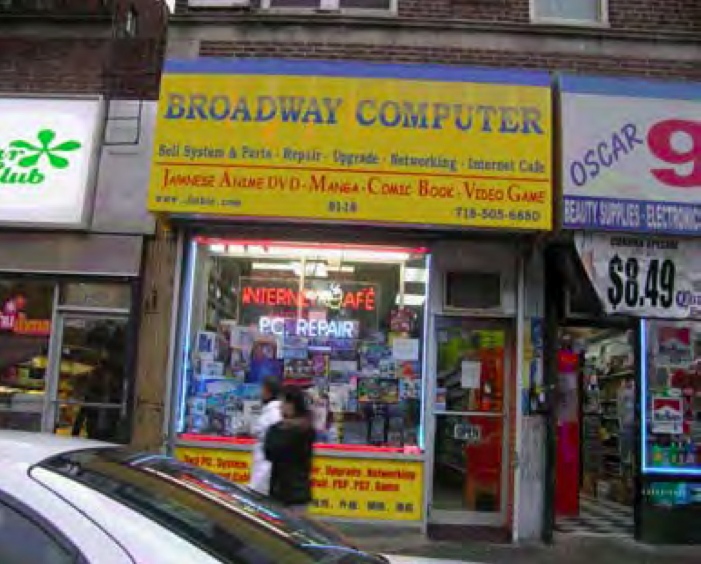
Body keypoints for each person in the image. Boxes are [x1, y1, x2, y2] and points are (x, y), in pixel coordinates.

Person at [264, 386, 315, 510]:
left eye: (283, 403)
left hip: (292, 493)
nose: (280, 407)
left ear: (292, 404)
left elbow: (273, 450)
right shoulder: (305, 427)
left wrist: (277, 429)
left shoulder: (300, 430)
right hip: (287, 491)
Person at [249, 376, 282, 495]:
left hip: (265, 477)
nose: (260, 393)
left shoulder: (274, 415)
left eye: (262, 389)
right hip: (263, 475)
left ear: (268, 392)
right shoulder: (271, 412)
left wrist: (260, 482)